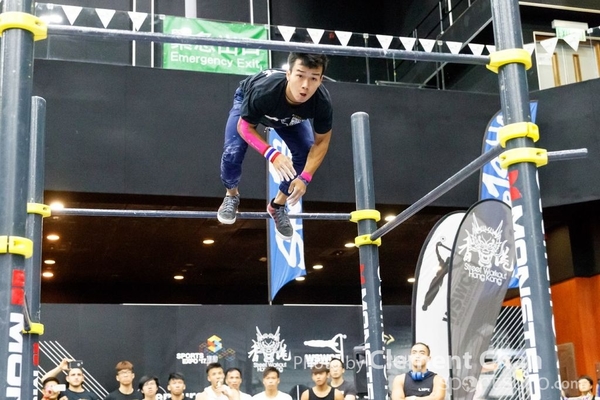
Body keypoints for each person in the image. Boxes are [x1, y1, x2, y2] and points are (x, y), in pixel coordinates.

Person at [217, 52, 333, 240]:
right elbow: (244, 128)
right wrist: (272, 154)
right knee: (233, 151)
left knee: (305, 154)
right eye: (300, 75)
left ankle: (277, 205)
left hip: (290, 118)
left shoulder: (322, 102)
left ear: (321, 80)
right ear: (288, 74)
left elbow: (322, 142)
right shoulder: (264, 91)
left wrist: (305, 178)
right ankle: (231, 195)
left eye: (313, 78)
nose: (305, 85)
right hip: (251, 104)